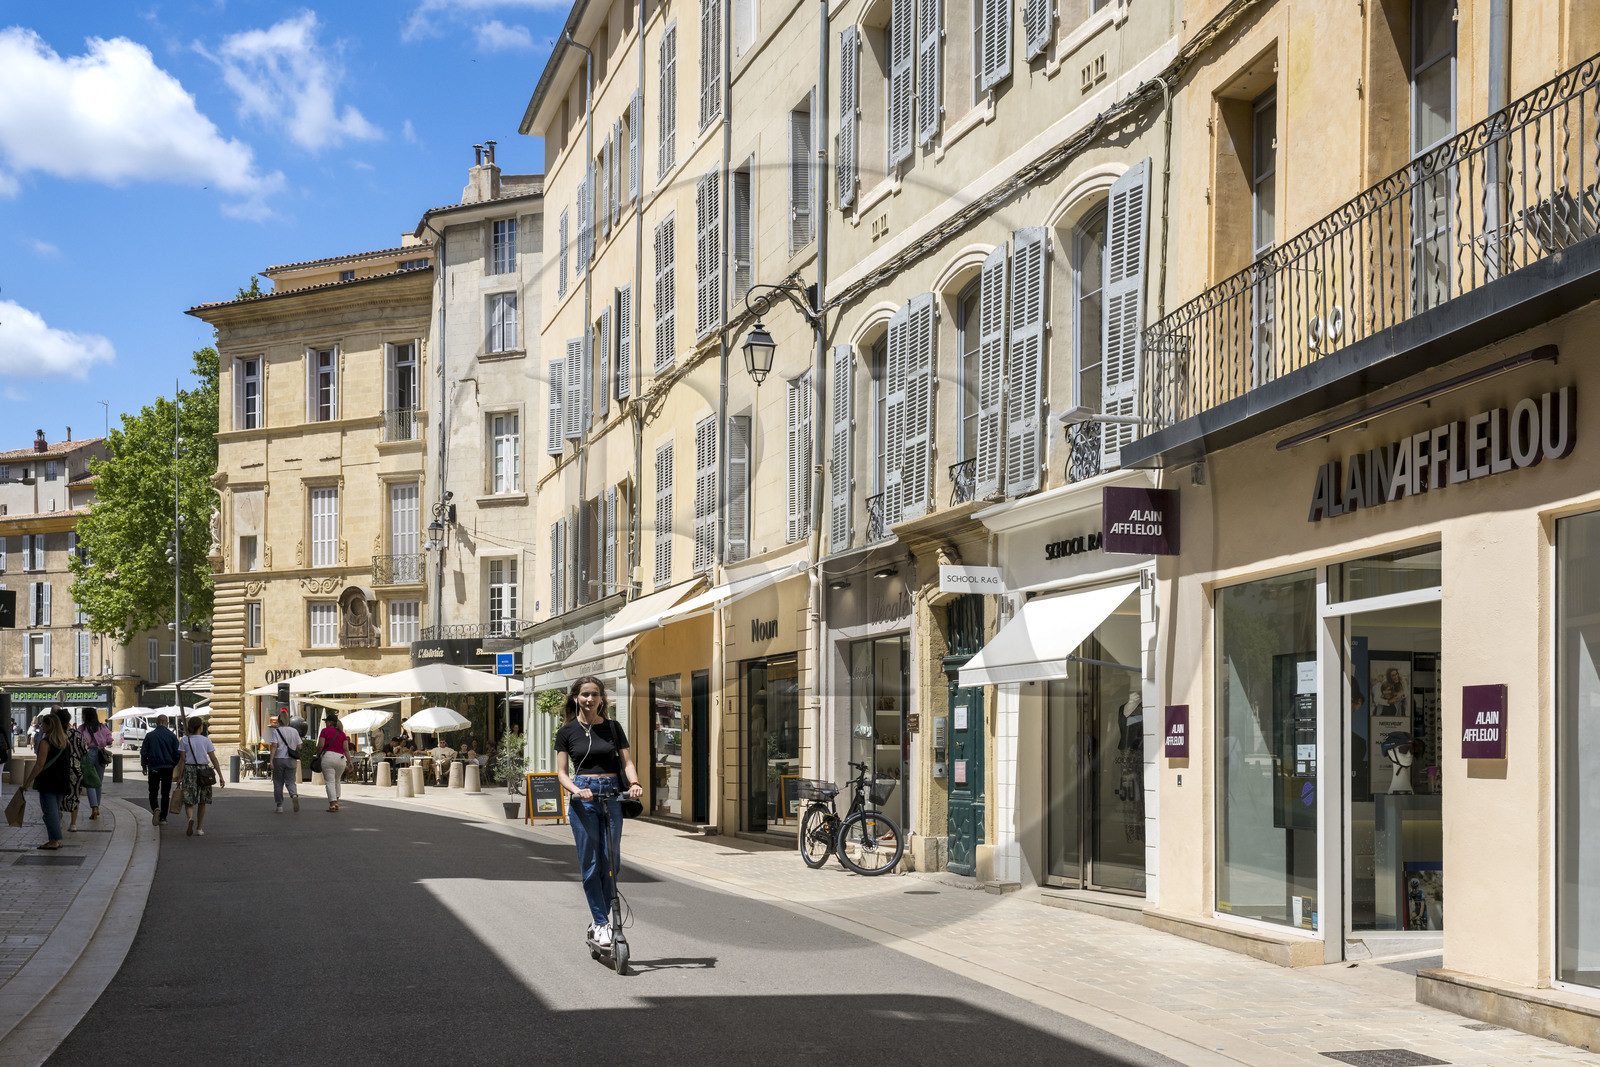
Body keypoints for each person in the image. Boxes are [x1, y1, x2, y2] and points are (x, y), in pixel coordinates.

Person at [553, 675, 642, 949]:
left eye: (594, 694)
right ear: (576, 698)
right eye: (584, 694)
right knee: (591, 863)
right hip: (584, 798)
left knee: (611, 861)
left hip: (612, 794)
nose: (589, 699)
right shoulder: (567, 732)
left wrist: (636, 783)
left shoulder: (614, 728)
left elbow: (627, 763)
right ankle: (601, 922)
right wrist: (577, 791)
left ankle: (605, 919)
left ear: (602, 698)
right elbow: (561, 773)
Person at [19, 711, 72, 849]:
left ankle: (54, 840)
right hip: (62, 781)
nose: (42, 726)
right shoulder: (64, 742)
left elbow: (39, 764)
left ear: (50, 725)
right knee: (54, 810)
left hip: (48, 781)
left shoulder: (45, 742)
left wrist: (28, 782)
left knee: (50, 812)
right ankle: (56, 839)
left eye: (44, 723)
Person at [173, 716, 224, 836]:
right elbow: (213, 759)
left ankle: (190, 819)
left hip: (189, 771)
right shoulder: (206, 741)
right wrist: (220, 775)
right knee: (202, 801)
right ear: (201, 727)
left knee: (188, 799)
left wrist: (179, 777)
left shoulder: (184, 740)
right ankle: (199, 828)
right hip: (204, 772)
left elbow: (182, 760)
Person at [140, 714, 181, 825]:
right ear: (166, 722)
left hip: (154, 767)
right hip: (168, 767)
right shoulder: (171, 736)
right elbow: (178, 753)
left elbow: (143, 752)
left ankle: (155, 809)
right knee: (165, 793)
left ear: (157, 722)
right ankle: (163, 817)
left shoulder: (150, 736)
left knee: (153, 791)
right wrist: (173, 764)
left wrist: (144, 766)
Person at [53, 708, 88, 833]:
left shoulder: (55, 735)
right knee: (74, 796)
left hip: (58, 769)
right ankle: (73, 824)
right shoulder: (77, 735)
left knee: (57, 795)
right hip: (75, 769)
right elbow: (84, 751)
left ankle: (58, 817)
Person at [78, 710, 112, 822]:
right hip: (100, 754)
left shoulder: (82, 728)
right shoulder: (102, 727)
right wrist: (102, 742)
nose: (82, 716)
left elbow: (78, 741)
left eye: (83, 714)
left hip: (87, 754)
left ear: (86, 716)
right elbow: (110, 740)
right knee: (98, 782)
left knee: (89, 782)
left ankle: (94, 808)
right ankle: (97, 807)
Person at [267, 713, 303, 814]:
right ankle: (294, 795)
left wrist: (271, 760)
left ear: (279, 721)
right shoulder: (294, 731)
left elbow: (274, 746)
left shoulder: (276, 731)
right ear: (288, 721)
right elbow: (300, 746)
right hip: (291, 760)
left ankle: (279, 806)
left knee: (278, 782)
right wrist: (292, 746)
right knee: (291, 781)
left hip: (279, 759)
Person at [317, 712, 350, 812]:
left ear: (330, 722)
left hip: (328, 757)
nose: (326, 723)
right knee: (337, 781)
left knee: (330, 781)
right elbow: (346, 750)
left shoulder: (325, 731)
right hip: (340, 758)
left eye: (326, 721)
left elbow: (320, 745)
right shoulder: (342, 734)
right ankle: (336, 802)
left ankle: (332, 804)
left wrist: (318, 754)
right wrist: (350, 762)